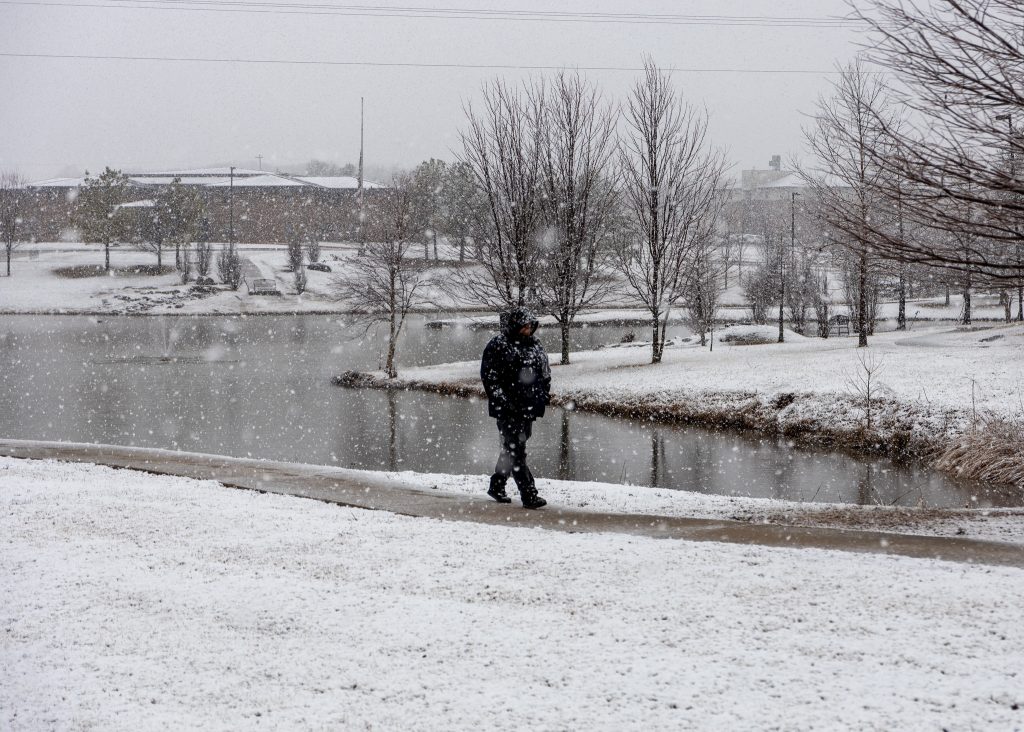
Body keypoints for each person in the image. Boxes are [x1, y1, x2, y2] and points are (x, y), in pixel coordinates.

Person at [480, 307, 551, 509]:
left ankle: (497, 485)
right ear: (515, 326)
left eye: (530, 326)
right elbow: (490, 378)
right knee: (516, 450)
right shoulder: (498, 345)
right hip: (508, 409)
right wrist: (503, 401)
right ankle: (529, 495)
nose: (528, 330)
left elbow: (544, 372)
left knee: (512, 448)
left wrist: (544, 393)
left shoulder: (535, 344)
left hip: (528, 407)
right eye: (524, 326)